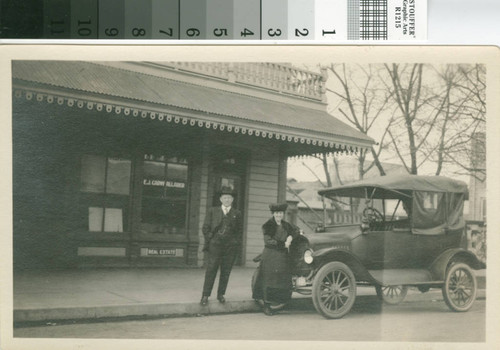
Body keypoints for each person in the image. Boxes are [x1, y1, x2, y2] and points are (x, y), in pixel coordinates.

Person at [253, 203, 300, 316]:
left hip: (282, 257)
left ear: (283, 214)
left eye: (280, 213)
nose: (279, 215)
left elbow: (296, 230)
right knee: (269, 280)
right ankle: (267, 306)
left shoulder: (286, 225)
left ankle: (279, 303)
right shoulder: (268, 225)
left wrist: (290, 237)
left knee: (280, 279)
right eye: (276, 213)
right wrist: (284, 244)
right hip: (271, 255)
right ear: (273, 214)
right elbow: (268, 241)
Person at [200, 188, 243, 306]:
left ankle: (221, 294)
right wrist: (211, 240)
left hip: (230, 247)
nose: (227, 200)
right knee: (211, 269)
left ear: (232, 199)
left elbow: (239, 231)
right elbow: (205, 227)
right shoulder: (213, 211)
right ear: (220, 199)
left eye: (229, 198)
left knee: (225, 271)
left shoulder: (237, 213)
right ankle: (205, 295)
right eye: (225, 197)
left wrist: (235, 242)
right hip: (216, 245)